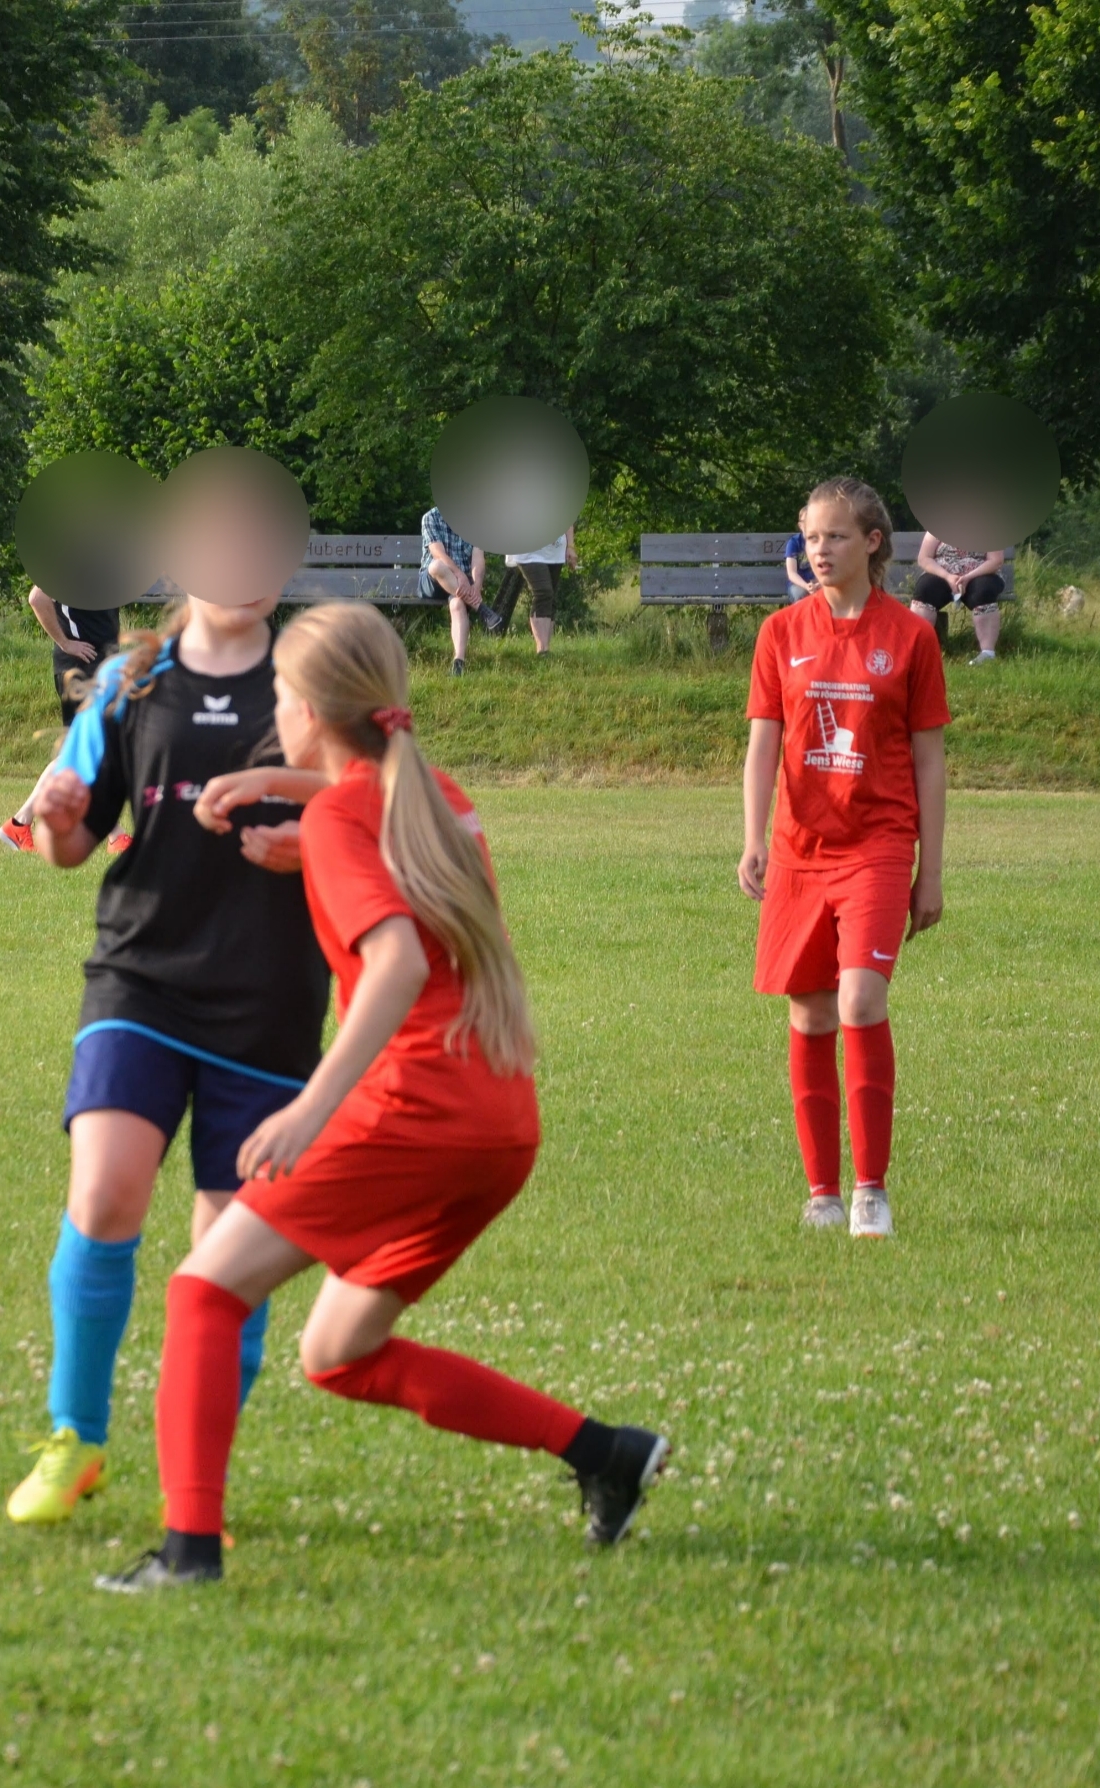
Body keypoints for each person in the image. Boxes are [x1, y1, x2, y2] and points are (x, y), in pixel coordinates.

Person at [95, 601, 667, 1592]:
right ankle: (605, 1454)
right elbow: (365, 812)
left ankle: (187, 1553)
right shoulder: (433, 794)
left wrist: (310, 1107)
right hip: (498, 1122)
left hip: (413, 1109)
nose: (271, 709)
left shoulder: (340, 817)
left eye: (279, 694)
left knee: (202, 1290)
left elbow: (395, 960)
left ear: (312, 710)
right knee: (337, 1351)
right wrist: (280, 787)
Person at [4, 590, 330, 1526]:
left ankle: (193, 1475)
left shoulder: (317, 679)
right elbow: (67, 843)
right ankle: (74, 1440)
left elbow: (389, 808)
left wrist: (312, 842)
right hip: (139, 979)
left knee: (228, 1260)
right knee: (105, 1192)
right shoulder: (131, 679)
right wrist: (60, 819)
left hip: (269, 998)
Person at [739, 477, 950, 1240]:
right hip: (800, 851)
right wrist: (754, 837)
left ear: (872, 542)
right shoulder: (780, 633)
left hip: (879, 847)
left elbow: (930, 761)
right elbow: (763, 744)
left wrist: (931, 869)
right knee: (811, 1011)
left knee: (860, 1000)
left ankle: (871, 1192)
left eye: (834, 536)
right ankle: (821, 1193)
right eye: (810, 537)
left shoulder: (912, 637)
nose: (818, 550)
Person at [0, 585, 132, 855]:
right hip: (80, 671)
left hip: (101, 670)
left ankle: (19, 823)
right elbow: (37, 598)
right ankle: (114, 834)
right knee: (90, 751)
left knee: (82, 752)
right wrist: (66, 643)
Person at [420, 506, 500, 675]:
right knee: (436, 566)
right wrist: (459, 574)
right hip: (433, 580)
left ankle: (459, 661)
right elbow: (438, 553)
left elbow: (478, 558)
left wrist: (476, 586)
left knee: (457, 604)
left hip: (460, 588)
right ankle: (481, 608)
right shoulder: (431, 517)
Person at [911, 535, 1007, 663]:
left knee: (983, 591)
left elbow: (995, 561)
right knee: (925, 590)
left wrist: (967, 577)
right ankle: (919, 652)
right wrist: (947, 576)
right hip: (942, 573)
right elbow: (924, 558)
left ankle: (987, 653)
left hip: (980, 573)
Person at [492, 524, 578, 656]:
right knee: (543, 592)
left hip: (555, 549)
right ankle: (542, 649)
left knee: (550, 597)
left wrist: (570, 546)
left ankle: (546, 649)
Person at [782, 522, 814, 604]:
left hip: (818, 583)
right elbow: (792, 573)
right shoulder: (794, 542)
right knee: (800, 596)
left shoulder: (821, 541)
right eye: (805, 521)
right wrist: (806, 586)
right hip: (798, 584)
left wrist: (818, 584)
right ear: (800, 525)